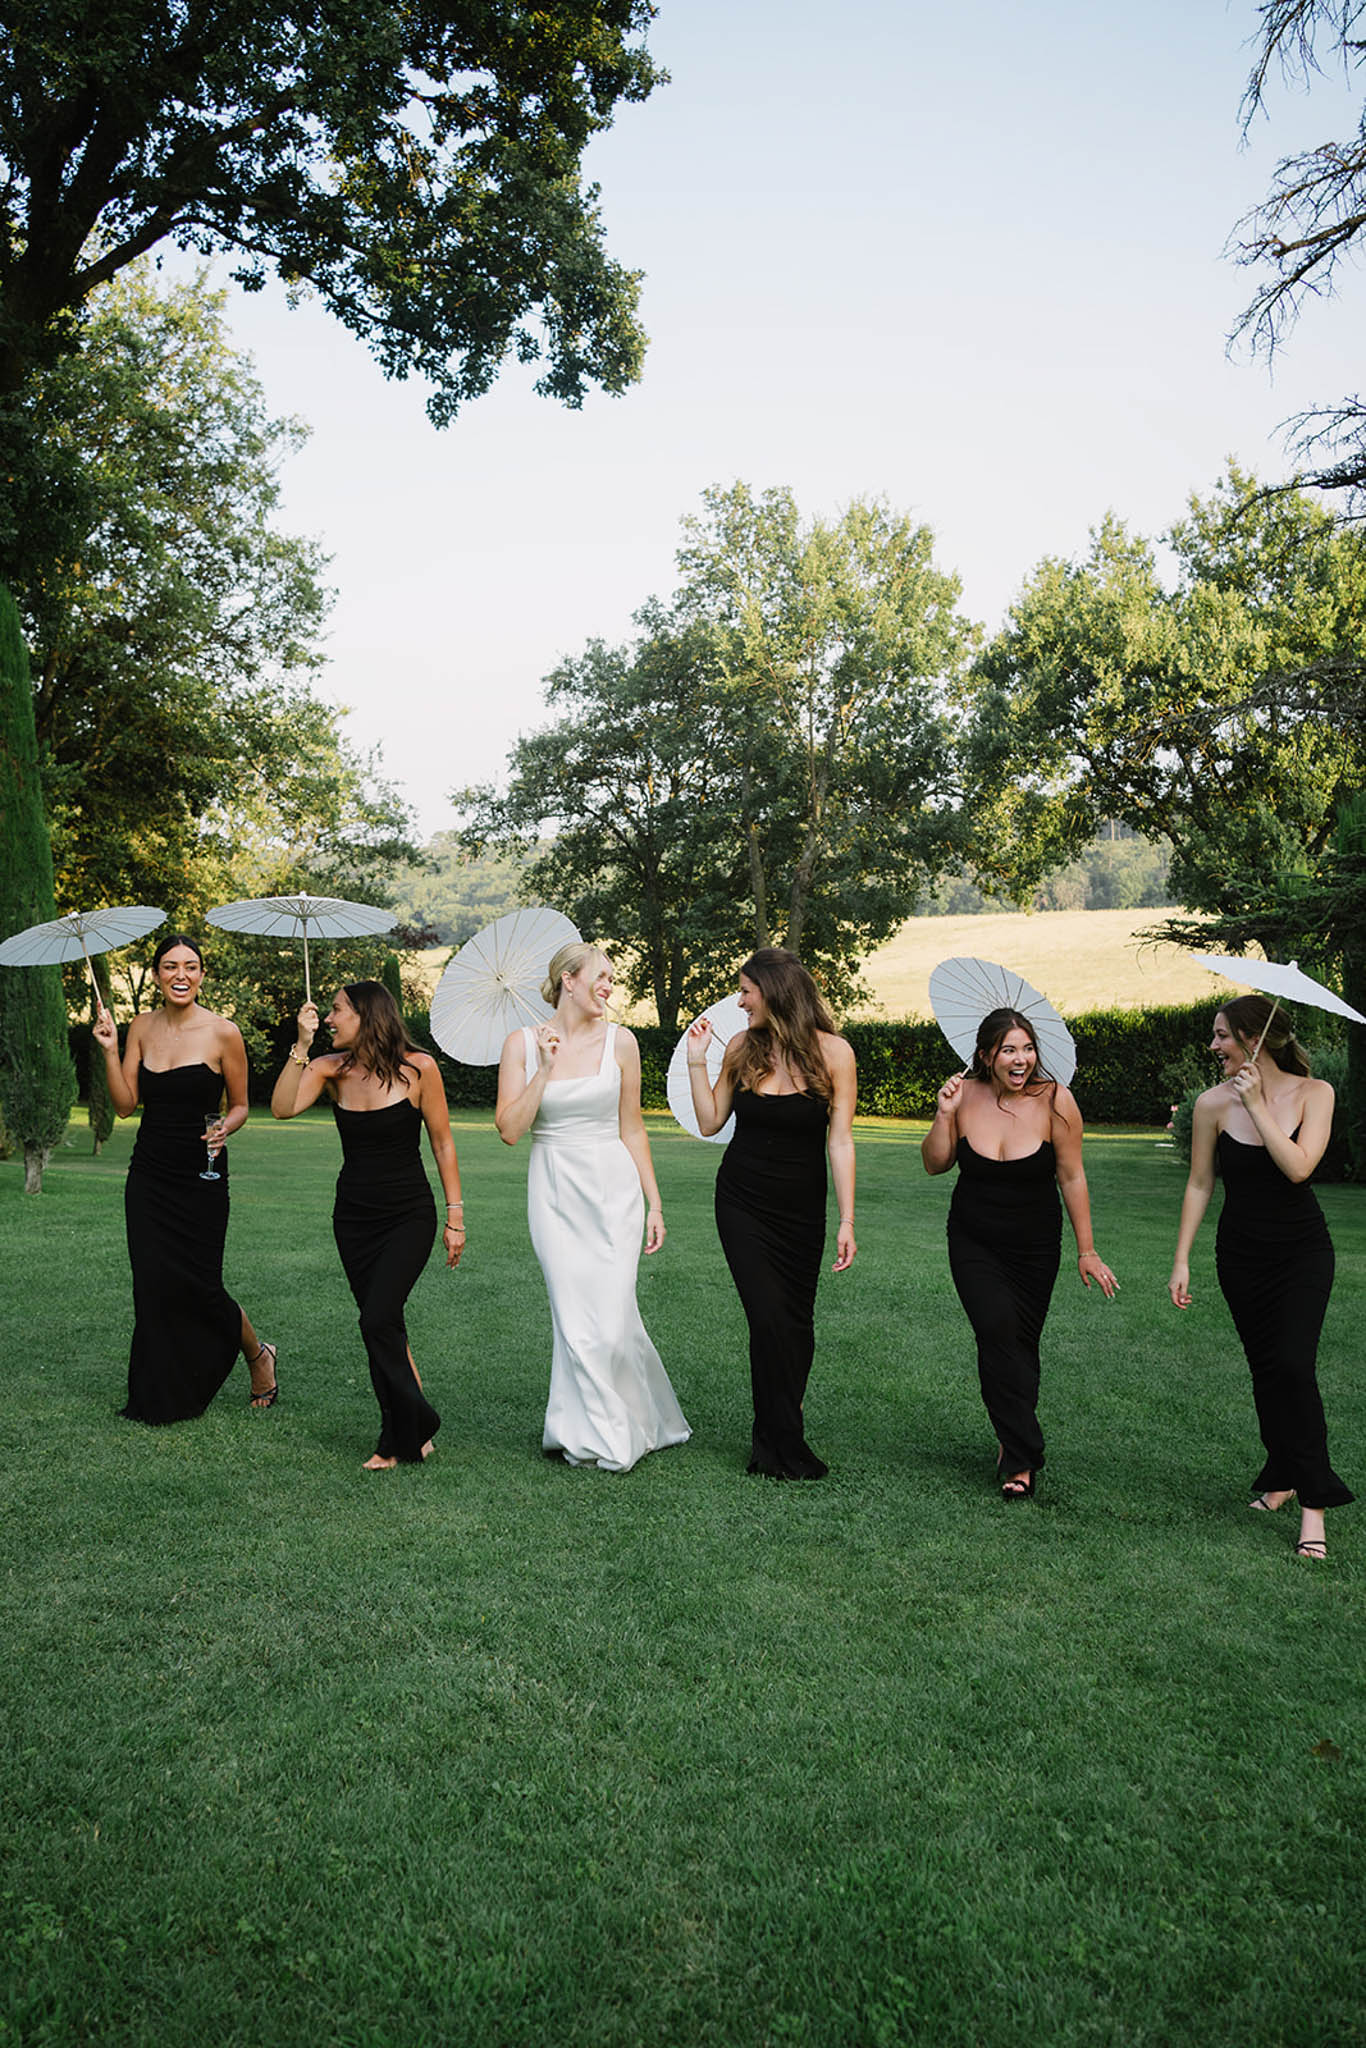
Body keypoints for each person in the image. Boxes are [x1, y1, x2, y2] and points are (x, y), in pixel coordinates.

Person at [1168, 995, 1353, 1559]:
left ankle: (1314, 1506)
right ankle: (1281, 1477)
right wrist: (1181, 1258)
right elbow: (1201, 1182)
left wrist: (1259, 1105)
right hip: (1240, 1257)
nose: (1214, 1046)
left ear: (1255, 1038)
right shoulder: (1210, 1105)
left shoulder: (1314, 1094)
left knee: (1295, 1366)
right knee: (1267, 1371)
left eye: (1222, 1035)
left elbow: (1299, 1168)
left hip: (1302, 1253)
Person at [495, 941, 689, 1472]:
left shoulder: (623, 1043)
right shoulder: (521, 1044)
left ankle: (628, 1423)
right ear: (569, 981)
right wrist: (544, 1067)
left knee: (613, 1316)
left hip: (613, 1189)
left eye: (611, 979)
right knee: (574, 1316)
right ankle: (590, 1432)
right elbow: (511, 1130)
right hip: (553, 1187)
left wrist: (654, 1203)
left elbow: (632, 1127)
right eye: (601, 977)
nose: (609, 986)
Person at [921, 1007, 1117, 1499]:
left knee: (1021, 1346)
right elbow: (934, 1164)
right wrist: (943, 1115)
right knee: (995, 1330)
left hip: (1035, 1247)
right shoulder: (963, 1096)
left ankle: (1011, 1446)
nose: (1021, 1059)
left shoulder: (1056, 1101)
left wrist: (1086, 1250)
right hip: (973, 1240)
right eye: (1009, 1049)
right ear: (986, 1055)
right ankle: (1024, 1456)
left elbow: (1071, 1175)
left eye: (1027, 1048)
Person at [271, 980, 464, 1469]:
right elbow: (282, 1108)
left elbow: (442, 1143)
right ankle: (413, 1431)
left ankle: (400, 1434)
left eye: (336, 1011)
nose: (330, 1018)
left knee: (377, 1318)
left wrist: (455, 1216)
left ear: (366, 1015)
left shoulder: (420, 1069)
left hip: (408, 1215)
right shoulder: (328, 1069)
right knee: (384, 1326)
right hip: (353, 1218)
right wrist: (301, 1044)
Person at [92, 932, 279, 1423]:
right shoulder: (139, 1028)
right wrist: (111, 1051)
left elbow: (240, 1106)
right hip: (150, 1175)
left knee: (201, 1285)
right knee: (153, 1284)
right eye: (170, 966)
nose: (181, 974)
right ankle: (156, 1395)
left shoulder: (224, 1032)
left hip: (203, 1174)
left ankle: (259, 1356)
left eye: (191, 966)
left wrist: (225, 1126)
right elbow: (126, 1106)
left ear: (201, 974)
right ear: (156, 975)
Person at [687, 947, 857, 1480]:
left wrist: (847, 1220)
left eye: (746, 991)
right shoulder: (740, 1047)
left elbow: (842, 1141)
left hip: (801, 1210)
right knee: (766, 1317)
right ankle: (776, 1443)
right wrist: (697, 1061)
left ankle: (783, 1424)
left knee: (797, 1323)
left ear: (775, 991)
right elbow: (712, 1121)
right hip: (741, 1201)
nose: (739, 1002)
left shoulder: (834, 1054)